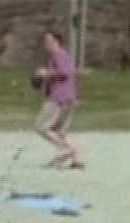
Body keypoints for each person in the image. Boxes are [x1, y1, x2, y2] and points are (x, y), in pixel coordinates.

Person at [33, 31, 84, 169]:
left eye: (49, 41)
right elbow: (71, 74)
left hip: (58, 98)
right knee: (59, 132)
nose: (46, 44)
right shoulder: (62, 56)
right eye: (45, 41)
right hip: (67, 97)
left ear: (57, 42)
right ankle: (76, 160)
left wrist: (45, 73)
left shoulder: (59, 55)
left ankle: (65, 150)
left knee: (41, 127)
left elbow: (65, 72)